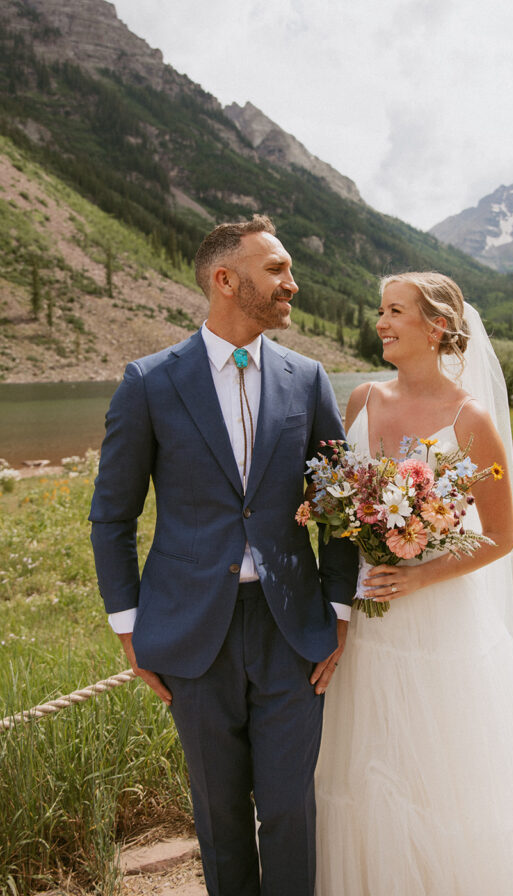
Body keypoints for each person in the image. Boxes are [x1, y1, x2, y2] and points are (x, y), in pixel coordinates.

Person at [314, 271, 513, 895]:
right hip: (364, 608)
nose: (380, 322)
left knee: (442, 765)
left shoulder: (470, 420)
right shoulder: (361, 402)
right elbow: (336, 503)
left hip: (439, 618)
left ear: (436, 326)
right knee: (367, 761)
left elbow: (501, 535)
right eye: (380, 310)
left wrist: (420, 574)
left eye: (395, 311)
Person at [90, 215, 358, 896]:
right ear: (225, 278)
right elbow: (112, 516)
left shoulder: (307, 378)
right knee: (218, 813)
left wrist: (337, 611)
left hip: (291, 630)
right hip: (189, 634)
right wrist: (129, 627)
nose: (291, 284)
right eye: (276, 271)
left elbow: (339, 506)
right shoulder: (149, 382)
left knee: (291, 809)